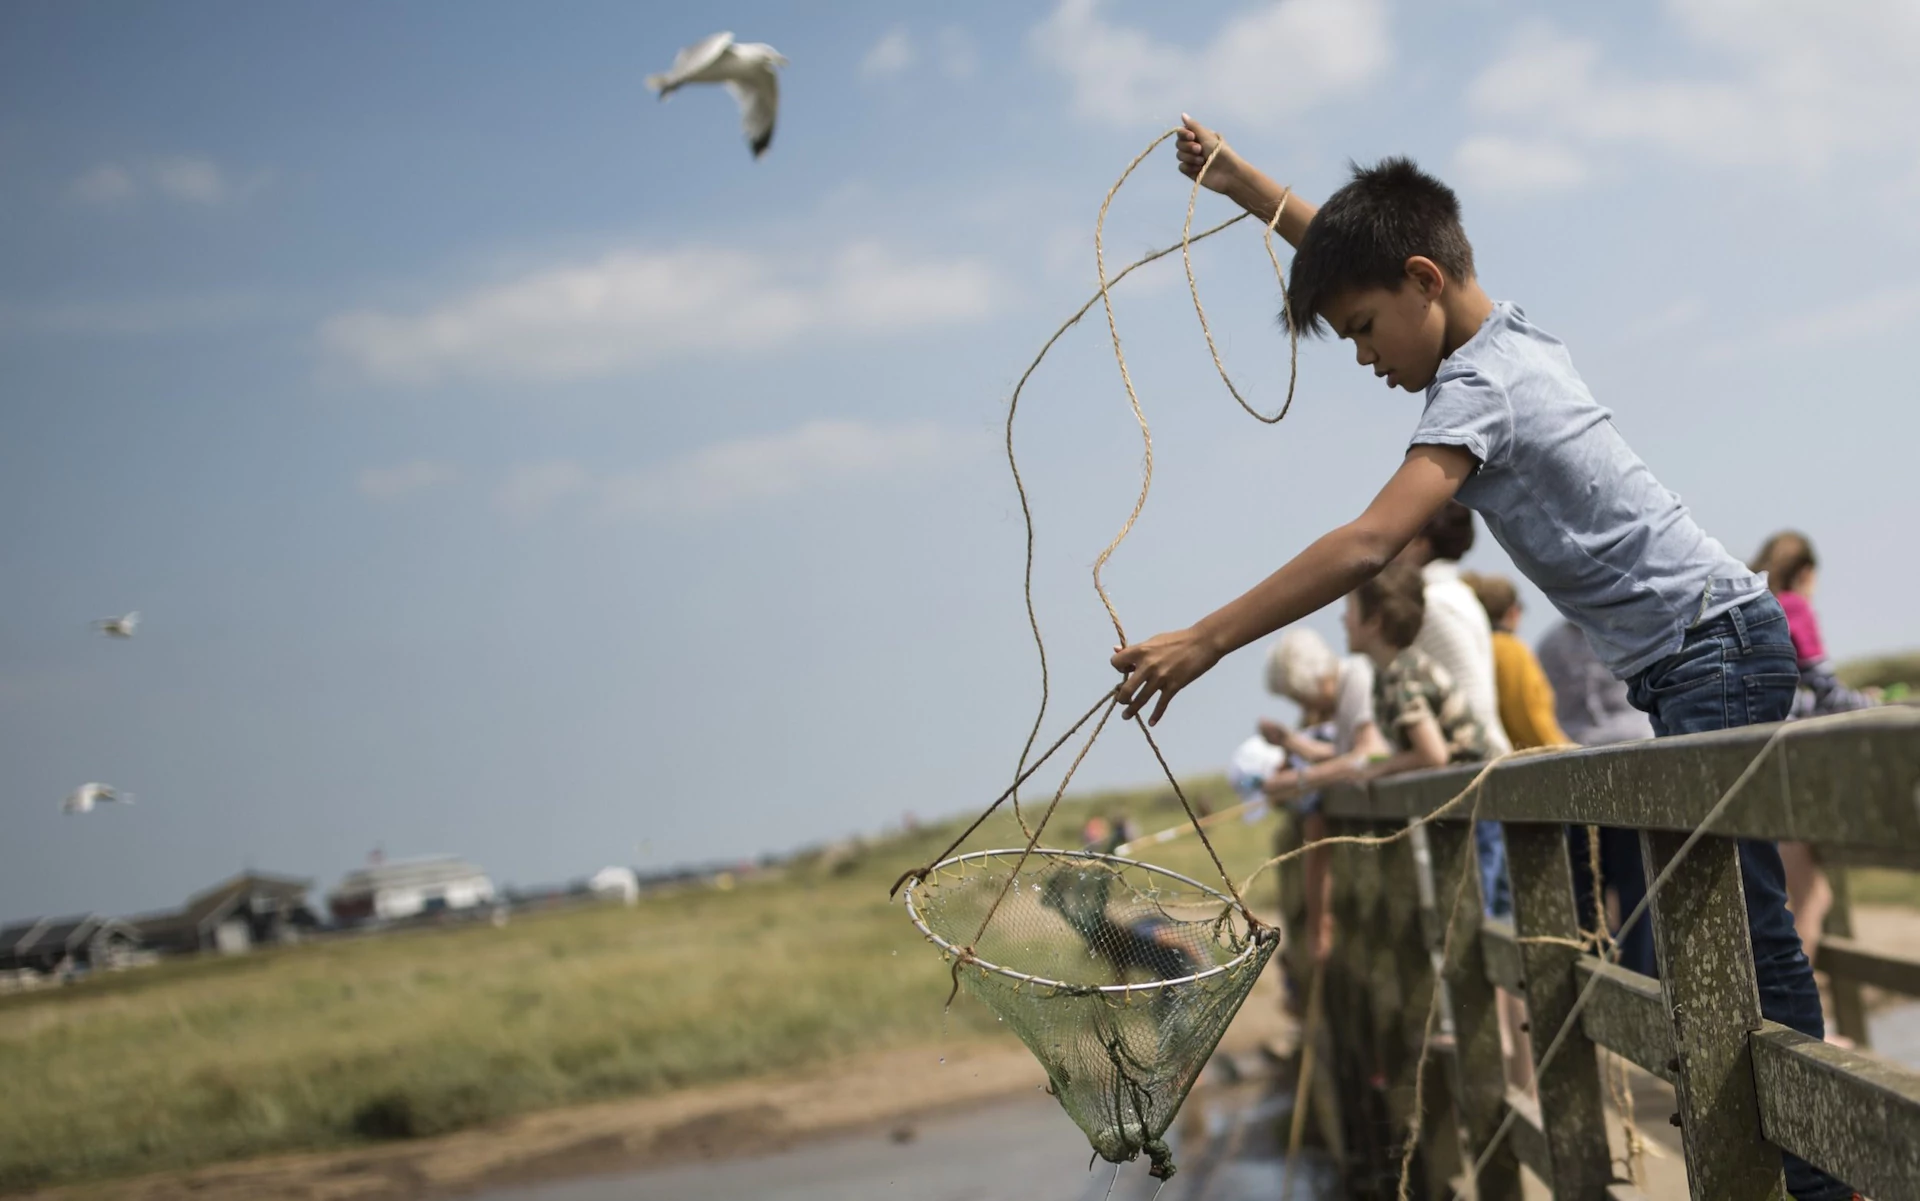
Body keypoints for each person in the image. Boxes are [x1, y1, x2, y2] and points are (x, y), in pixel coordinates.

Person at [1108, 118, 1848, 1199]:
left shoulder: (1476, 391)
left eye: (1363, 329)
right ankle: (1762, 1132)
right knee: (1682, 931)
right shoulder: (1506, 335)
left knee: (1737, 925)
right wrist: (1246, 189)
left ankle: (1827, 1172)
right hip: (1703, 650)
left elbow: (1369, 541)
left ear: (1420, 285)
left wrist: (1208, 638)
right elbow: (1370, 248)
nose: (1364, 357)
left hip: (1711, 646)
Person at [1752, 531, 1875, 986]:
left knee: (1786, 897)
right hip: (1790, 767)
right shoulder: (1795, 607)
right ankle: (1806, 1023)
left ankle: (1810, 1017)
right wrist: (1876, 706)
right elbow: (1826, 691)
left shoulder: (1754, 608)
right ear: (1805, 572)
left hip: (1756, 763)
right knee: (1809, 899)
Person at [1257, 627, 1388, 962]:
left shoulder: (1356, 679)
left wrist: (1298, 779)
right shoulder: (1347, 688)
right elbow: (1341, 753)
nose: (1304, 705)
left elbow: (1368, 755)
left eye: (1300, 698)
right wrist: (1290, 742)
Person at [1536, 619, 1657, 977]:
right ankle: (1640, 981)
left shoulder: (1548, 644)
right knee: (1639, 889)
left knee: (1587, 890)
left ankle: (1592, 981)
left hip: (1577, 766)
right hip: (1633, 763)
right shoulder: (1627, 627)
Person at [1462, 572, 1570, 750]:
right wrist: (1568, 751)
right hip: (1516, 760)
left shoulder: (1474, 646)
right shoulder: (1509, 650)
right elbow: (1529, 717)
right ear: (1513, 612)